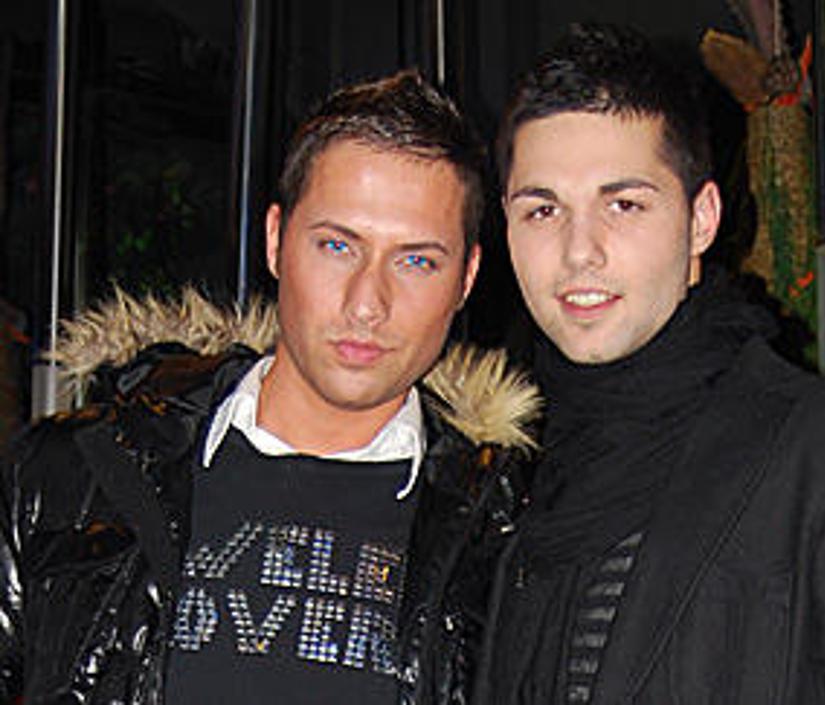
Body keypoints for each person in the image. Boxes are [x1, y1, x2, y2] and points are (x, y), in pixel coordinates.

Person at [0, 70, 538, 705]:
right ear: (276, 240)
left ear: (467, 278)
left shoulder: (508, 536)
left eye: (416, 260)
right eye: (338, 246)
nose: (368, 302)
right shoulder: (67, 473)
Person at [474, 24, 825, 705]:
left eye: (623, 204)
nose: (579, 251)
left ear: (701, 219)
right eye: (543, 210)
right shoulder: (505, 487)